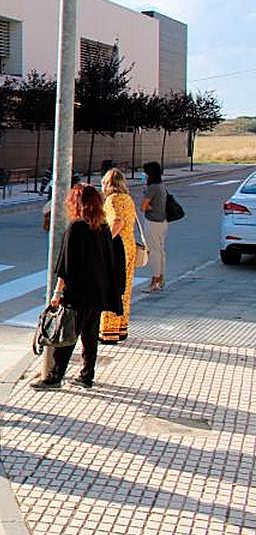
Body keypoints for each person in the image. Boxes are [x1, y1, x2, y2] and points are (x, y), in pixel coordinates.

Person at [31, 185, 124, 390]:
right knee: (90, 336)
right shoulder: (103, 227)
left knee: (67, 335)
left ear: (77, 203)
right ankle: (86, 375)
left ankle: (55, 377)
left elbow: (66, 266)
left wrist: (57, 293)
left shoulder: (76, 228)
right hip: (98, 292)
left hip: (79, 292)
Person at [100, 169, 139, 344]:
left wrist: (106, 239)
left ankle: (109, 331)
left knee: (112, 288)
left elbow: (117, 221)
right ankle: (122, 327)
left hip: (118, 248)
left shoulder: (112, 199)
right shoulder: (128, 199)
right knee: (125, 288)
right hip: (130, 245)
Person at [141, 161, 167, 293]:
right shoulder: (161, 185)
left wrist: (150, 206)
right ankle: (161, 278)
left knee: (154, 252)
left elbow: (143, 207)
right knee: (161, 251)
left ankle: (155, 281)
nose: (143, 175)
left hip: (152, 222)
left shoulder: (152, 188)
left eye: (145, 172)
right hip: (162, 222)